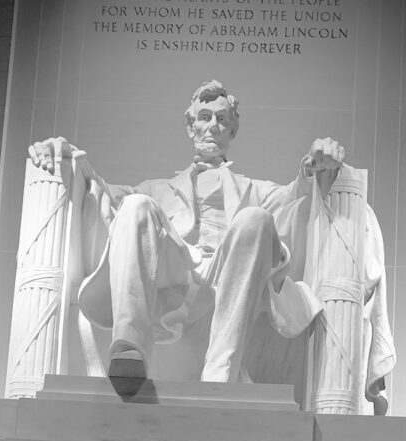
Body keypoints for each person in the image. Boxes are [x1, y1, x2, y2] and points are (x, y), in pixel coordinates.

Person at [28, 79, 345, 384]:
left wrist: (314, 168)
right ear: (191, 126)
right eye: (205, 117)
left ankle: (221, 372)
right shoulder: (157, 189)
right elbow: (104, 195)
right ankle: (129, 349)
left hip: (231, 271)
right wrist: (73, 161)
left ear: (232, 130)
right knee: (135, 204)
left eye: (222, 119)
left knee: (256, 218)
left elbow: (295, 198)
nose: (213, 126)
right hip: (174, 271)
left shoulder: (255, 190)